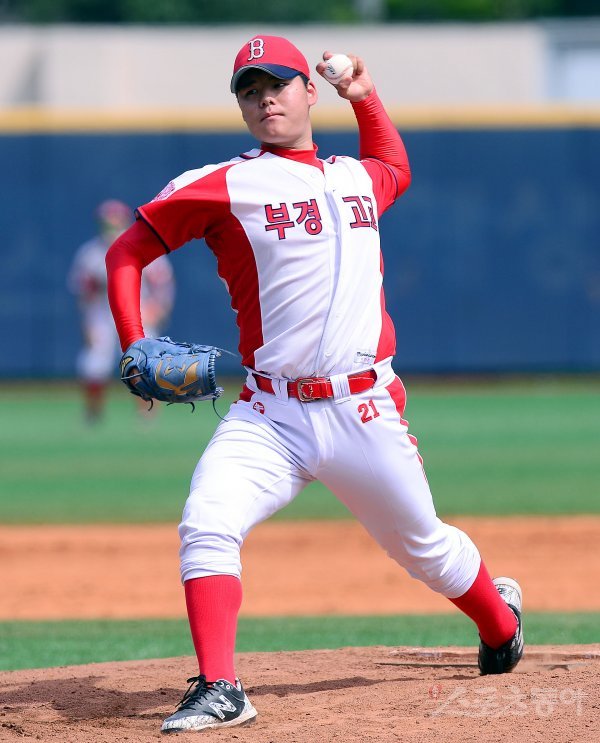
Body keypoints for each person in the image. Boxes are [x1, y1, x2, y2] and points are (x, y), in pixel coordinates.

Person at [105, 35, 524, 733]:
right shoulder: (222, 183)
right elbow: (127, 251)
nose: (264, 98)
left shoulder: (355, 178)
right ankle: (220, 686)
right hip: (268, 413)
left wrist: (364, 96)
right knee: (207, 521)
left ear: (308, 91)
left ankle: (501, 623)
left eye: (277, 84)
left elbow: (395, 167)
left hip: (363, 408)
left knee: (426, 548)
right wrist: (133, 343)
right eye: (249, 90)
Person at [69, 199, 175, 423]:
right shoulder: (90, 254)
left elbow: (164, 285)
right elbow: (83, 293)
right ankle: (93, 413)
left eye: (116, 221)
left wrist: (158, 308)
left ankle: (147, 412)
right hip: (102, 314)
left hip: (138, 310)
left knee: (143, 361)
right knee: (94, 362)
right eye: (107, 222)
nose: (111, 226)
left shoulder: (144, 246)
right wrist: (87, 322)